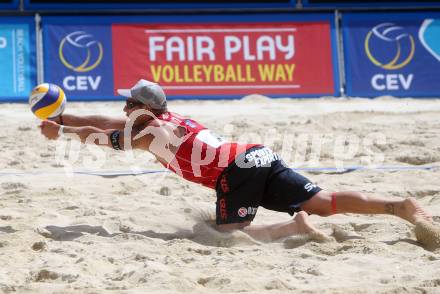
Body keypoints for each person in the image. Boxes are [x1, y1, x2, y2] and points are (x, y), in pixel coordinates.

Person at [40, 79, 433, 242]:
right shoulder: (168, 120)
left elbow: (110, 138)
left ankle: (294, 227)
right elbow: (109, 122)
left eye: (128, 101)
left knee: (225, 237)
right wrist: (66, 117)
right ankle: (401, 207)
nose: (123, 105)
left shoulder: (146, 131)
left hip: (236, 172)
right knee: (325, 201)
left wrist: (63, 134)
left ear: (142, 107)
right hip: (255, 154)